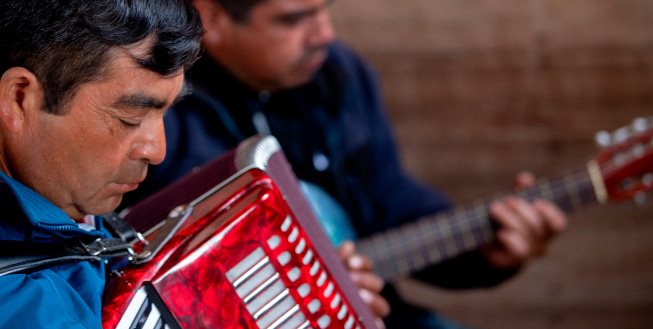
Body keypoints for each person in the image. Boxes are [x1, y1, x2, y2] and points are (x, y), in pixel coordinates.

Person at [121, 0, 568, 328]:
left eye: (325, 9)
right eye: (294, 19)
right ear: (212, 19)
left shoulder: (340, 73)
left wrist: (484, 253)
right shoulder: (158, 99)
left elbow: (390, 202)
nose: (324, 34)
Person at [0, 1, 388, 328]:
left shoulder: (64, 204)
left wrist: (303, 293)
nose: (157, 150)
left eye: (165, 113)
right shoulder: (31, 308)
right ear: (19, 99)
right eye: (130, 118)